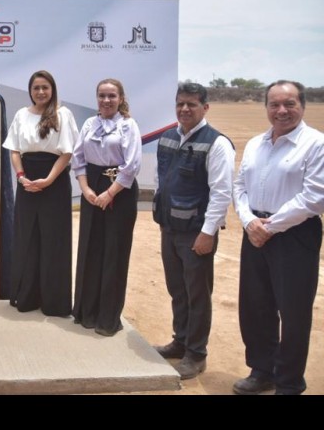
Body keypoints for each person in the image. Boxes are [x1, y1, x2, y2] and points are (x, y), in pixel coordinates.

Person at [232, 80, 324, 395]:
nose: (281, 111)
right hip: (254, 230)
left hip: (294, 235)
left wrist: (269, 227)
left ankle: (289, 382)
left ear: (303, 105)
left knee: (294, 311)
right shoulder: (256, 143)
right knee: (255, 305)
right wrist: (249, 221)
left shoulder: (315, 144)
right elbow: (239, 186)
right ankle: (262, 371)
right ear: (267, 108)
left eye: (289, 104)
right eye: (274, 104)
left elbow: (314, 197)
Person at [152, 82, 234, 380]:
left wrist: (208, 233)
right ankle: (181, 341)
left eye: (192, 104)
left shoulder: (217, 144)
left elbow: (221, 192)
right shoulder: (167, 137)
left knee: (197, 294)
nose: (185, 109)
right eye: (180, 104)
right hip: (170, 228)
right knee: (178, 289)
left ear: (205, 107)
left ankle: (196, 354)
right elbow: (161, 178)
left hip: (196, 232)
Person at [3, 70, 78, 316]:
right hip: (27, 182)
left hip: (54, 182)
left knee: (54, 240)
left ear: (52, 89)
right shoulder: (21, 115)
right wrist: (21, 177)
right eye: (36, 88)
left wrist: (49, 180)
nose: (41, 92)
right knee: (27, 238)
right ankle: (26, 297)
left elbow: (67, 152)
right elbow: (14, 150)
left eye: (45, 87)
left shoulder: (63, 114)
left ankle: (54, 302)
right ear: (30, 91)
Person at [72, 79, 142, 336]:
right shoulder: (89, 124)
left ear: (121, 98)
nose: (106, 100)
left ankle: (107, 319)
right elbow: (78, 158)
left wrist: (109, 193)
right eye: (102, 95)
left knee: (114, 252)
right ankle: (86, 313)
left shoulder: (128, 125)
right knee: (90, 249)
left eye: (112, 95)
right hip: (91, 189)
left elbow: (132, 165)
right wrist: (86, 189)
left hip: (119, 192)